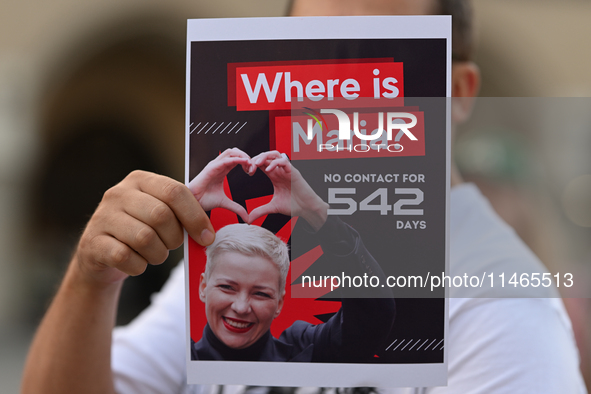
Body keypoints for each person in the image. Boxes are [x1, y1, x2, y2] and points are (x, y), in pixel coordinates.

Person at [21, 0, 587, 393]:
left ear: (456, 93)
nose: (336, 89)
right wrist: (92, 279)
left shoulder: (500, 307)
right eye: (307, 54)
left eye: (375, 59)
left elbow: (373, 318)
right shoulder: (232, 260)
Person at [189, 151, 394, 362]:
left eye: (260, 294)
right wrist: (183, 206)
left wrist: (316, 212)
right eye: (227, 287)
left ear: (280, 302)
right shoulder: (173, 358)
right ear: (203, 287)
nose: (241, 307)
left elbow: (372, 317)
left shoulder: (306, 351)